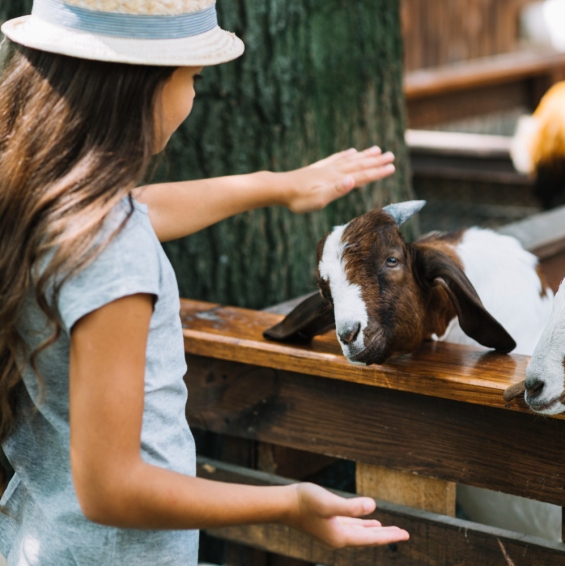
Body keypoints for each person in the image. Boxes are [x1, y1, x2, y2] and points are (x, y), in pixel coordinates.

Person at [0, 1, 409, 564]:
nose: (192, 96)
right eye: (191, 77)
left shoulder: (36, 199)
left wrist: (278, 186)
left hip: (38, 539)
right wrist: (287, 505)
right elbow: (111, 487)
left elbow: (141, 209)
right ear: (141, 86)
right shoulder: (112, 252)